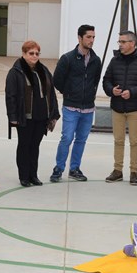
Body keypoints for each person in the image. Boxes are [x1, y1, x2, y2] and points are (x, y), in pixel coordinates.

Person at [50, 24, 102, 183]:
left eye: (93, 37)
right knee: (66, 138)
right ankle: (58, 168)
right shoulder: (67, 59)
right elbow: (57, 80)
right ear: (80, 38)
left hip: (88, 109)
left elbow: (96, 80)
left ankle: (75, 169)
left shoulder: (96, 60)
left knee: (81, 140)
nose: (92, 40)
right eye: (88, 37)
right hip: (71, 107)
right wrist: (70, 93)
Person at [102, 30, 137, 185]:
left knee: (134, 141)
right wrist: (112, 90)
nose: (120, 45)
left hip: (135, 108)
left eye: (123, 42)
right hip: (117, 107)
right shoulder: (115, 60)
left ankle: (134, 172)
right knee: (118, 140)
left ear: (132, 43)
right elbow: (106, 80)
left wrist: (132, 92)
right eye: (119, 42)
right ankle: (117, 171)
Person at [5, 40, 60, 187]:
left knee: (35, 146)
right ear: (23, 54)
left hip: (41, 116)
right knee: (24, 145)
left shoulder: (43, 70)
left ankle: (33, 175)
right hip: (25, 117)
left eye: (37, 53)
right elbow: (10, 96)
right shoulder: (16, 72)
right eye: (31, 53)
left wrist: (54, 114)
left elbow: (51, 93)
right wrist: (13, 117)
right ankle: (24, 176)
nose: (34, 56)